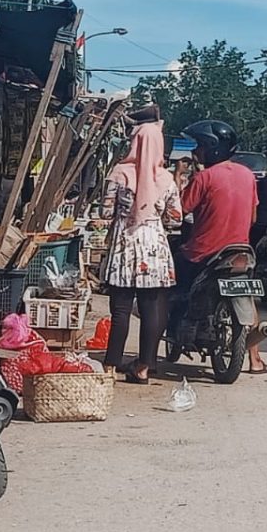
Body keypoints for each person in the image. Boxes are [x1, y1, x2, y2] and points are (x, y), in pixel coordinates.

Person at [176, 120, 267, 374]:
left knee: (173, 284)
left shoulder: (204, 177)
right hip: (240, 251)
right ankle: (255, 358)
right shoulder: (248, 175)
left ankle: (168, 335)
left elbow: (180, 210)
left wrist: (178, 176)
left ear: (211, 148)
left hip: (204, 252)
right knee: (250, 296)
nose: (196, 152)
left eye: (200, 147)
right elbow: (252, 218)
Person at [100, 120, 181, 384]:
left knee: (121, 309)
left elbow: (104, 212)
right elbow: (175, 219)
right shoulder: (167, 179)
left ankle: (111, 365)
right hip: (154, 247)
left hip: (125, 244)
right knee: (151, 308)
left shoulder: (119, 174)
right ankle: (144, 367)